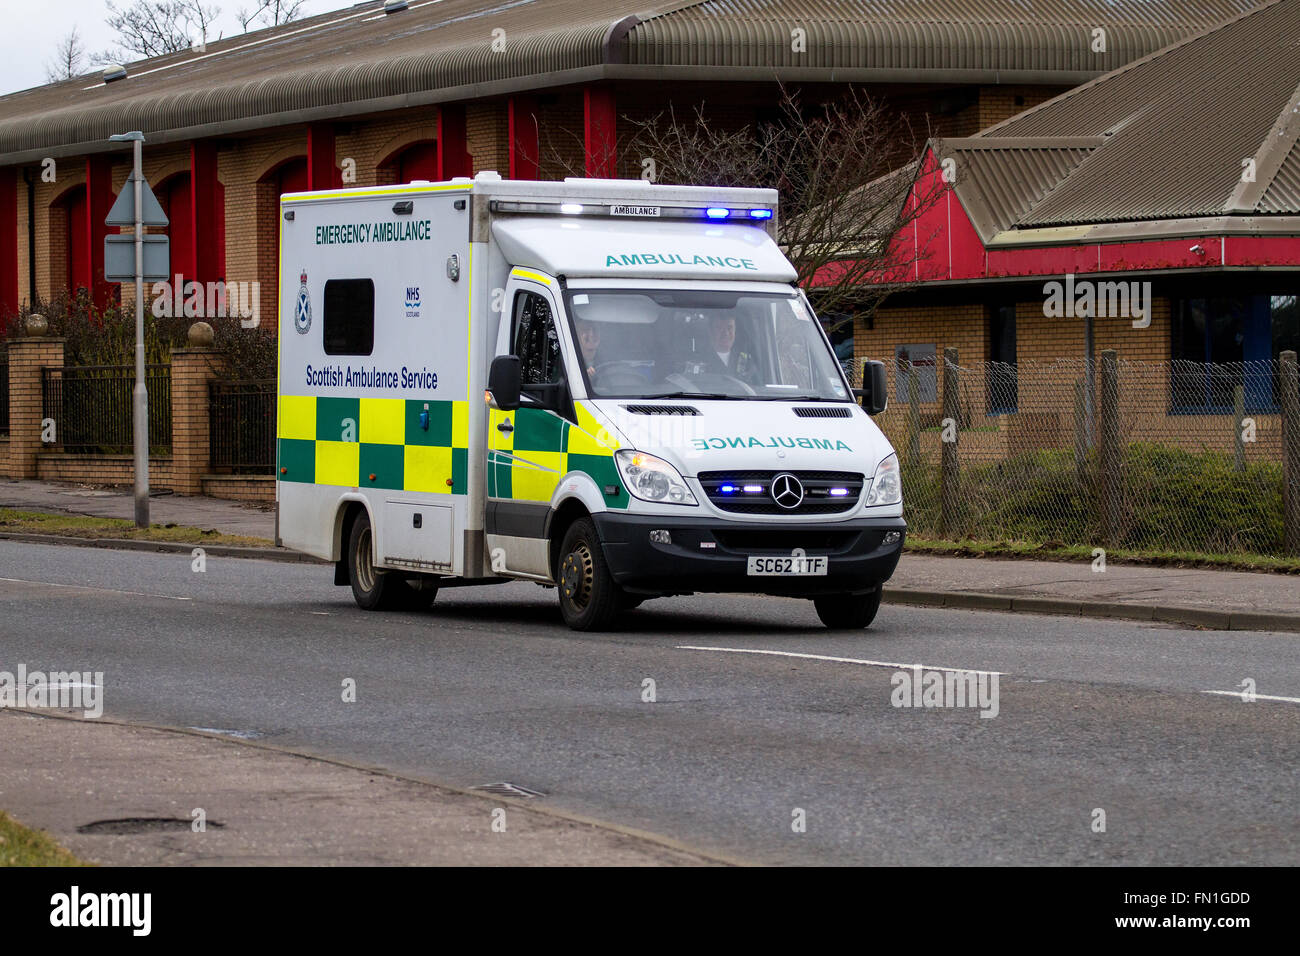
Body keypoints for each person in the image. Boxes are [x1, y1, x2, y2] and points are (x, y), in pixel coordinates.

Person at [702, 315, 758, 383]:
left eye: (729, 328)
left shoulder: (746, 361)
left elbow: (758, 386)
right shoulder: (700, 359)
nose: (725, 333)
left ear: (735, 331)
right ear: (710, 332)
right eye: (719, 328)